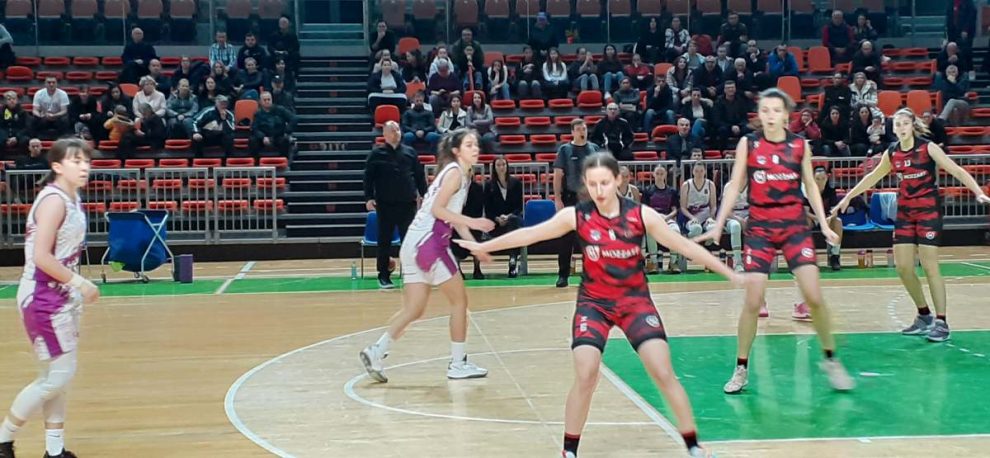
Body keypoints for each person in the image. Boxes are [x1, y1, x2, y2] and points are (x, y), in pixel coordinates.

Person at [456, 153, 742, 458]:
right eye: (592, 184)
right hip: (594, 303)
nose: (599, 190)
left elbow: (684, 246)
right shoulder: (576, 216)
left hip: (634, 302)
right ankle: (569, 451)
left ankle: (693, 445)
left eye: (605, 183)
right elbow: (530, 233)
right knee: (586, 374)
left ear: (618, 180)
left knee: (662, 371)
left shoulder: (642, 215)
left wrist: (730, 274)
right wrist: (484, 246)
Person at [699, 88, 855, 394]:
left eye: (776, 110)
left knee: (814, 296)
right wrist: (718, 223)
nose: (770, 115)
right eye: (765, 110)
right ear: (759, 115)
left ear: (786, 115)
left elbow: (810, 185)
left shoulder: (799, 145)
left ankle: (831, 359)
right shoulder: (749, 144)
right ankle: (741, 367)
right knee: (753, 301)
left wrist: (824, 224)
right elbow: (734, 185)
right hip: (760, 228)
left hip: (794, 226)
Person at [832, 108, 990, 342]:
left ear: (912, 125)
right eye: (897, 124)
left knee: (929, 266)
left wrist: (978, 192)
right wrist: (847, 197)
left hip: (928, 212)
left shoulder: (928, 148)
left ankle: (942, 321)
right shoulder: (892, 152)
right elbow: (872, 177)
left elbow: (956, 170)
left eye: (905, 123)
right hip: (905, 213)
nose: (901, 128)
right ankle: (924, 315)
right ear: (893, 129)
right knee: (903, 267)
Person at [360, 128, 495, 382]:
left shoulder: (455, 173)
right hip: (429, 243)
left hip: (413, 243)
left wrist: (475, 246)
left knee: (414, 309)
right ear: (456, 151)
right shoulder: (455, 173)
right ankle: (458, 363)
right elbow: (438, 210)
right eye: (469, 145)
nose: (475, 148)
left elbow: (453, 218)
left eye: (476, 144)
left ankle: (376, 350)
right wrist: (475, 223)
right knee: (459, 302)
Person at [0, 138, 100, 458]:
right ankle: (3, 439)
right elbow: (41, 257)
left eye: (86, 161)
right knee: (57, 376)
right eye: (76, 161)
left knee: (56, 376)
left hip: (61, 294)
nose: (84, 166)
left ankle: (54, 450)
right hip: (43, 295)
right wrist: (80, 282)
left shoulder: (73, 197)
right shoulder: (54, 201)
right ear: (57, 166)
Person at [364, 120, 428, 289]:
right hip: (385, 204)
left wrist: (425, 195)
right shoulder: (376, 154)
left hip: (407, 203)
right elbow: (368, 178)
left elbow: (419, 176)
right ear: (385, 134)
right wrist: (369, 197)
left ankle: (411, 274)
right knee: (384, 241)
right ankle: (383, 275)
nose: (396, 133)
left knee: (409, 241)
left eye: (398, 129)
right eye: (392, 130)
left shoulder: (410, 152)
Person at [552, 119, 601, 287]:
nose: (582, 132)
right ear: (572, 132)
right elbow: (558, 175)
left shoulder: (594, 149)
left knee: (591, 238)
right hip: (570, 198)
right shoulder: (565, 150)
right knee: (566, 238)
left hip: (591, 199)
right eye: (579, 129)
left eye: (584, 129)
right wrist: (557, 198)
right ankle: (563, 275)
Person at [484, 156, 523, 277]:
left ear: (507, 166)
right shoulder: (489, 186)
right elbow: (488, 210)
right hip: (495, 224)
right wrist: (497, 219)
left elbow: (519, 207)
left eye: (503, 165)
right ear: (494, 168)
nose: (501, 167)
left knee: (514, 221)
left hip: (512, 221)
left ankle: (513, 259)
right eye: (498, 165)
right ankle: (513, 257)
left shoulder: (516, 183)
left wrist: (508, 216)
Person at [641, 165, 681, 274]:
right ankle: (654, 263)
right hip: (653, 220)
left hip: (667, 219)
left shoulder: (672, 191)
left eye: (661, 174)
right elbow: (645, 209)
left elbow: (675, 210)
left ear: (665, 175)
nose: (659, 176)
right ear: (654, 175)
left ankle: (673, 262)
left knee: (676, 231)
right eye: (657, 173)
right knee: (650, 232)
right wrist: (657, 217)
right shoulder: (647, 190)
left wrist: (666, 218)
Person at [680, 162, 717, 246]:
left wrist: (711, 217)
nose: (699, 173)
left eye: (701, 171)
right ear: (692, 172)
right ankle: (686, 241)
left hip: (705, 214)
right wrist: (692, 217)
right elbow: (683, 207)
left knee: (713, 228)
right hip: (691, 214)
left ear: (705, 172)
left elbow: (714, 206)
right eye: (696, 171)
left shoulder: (710, 184)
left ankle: (706, 244)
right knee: (696, 229)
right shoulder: (686, 185)